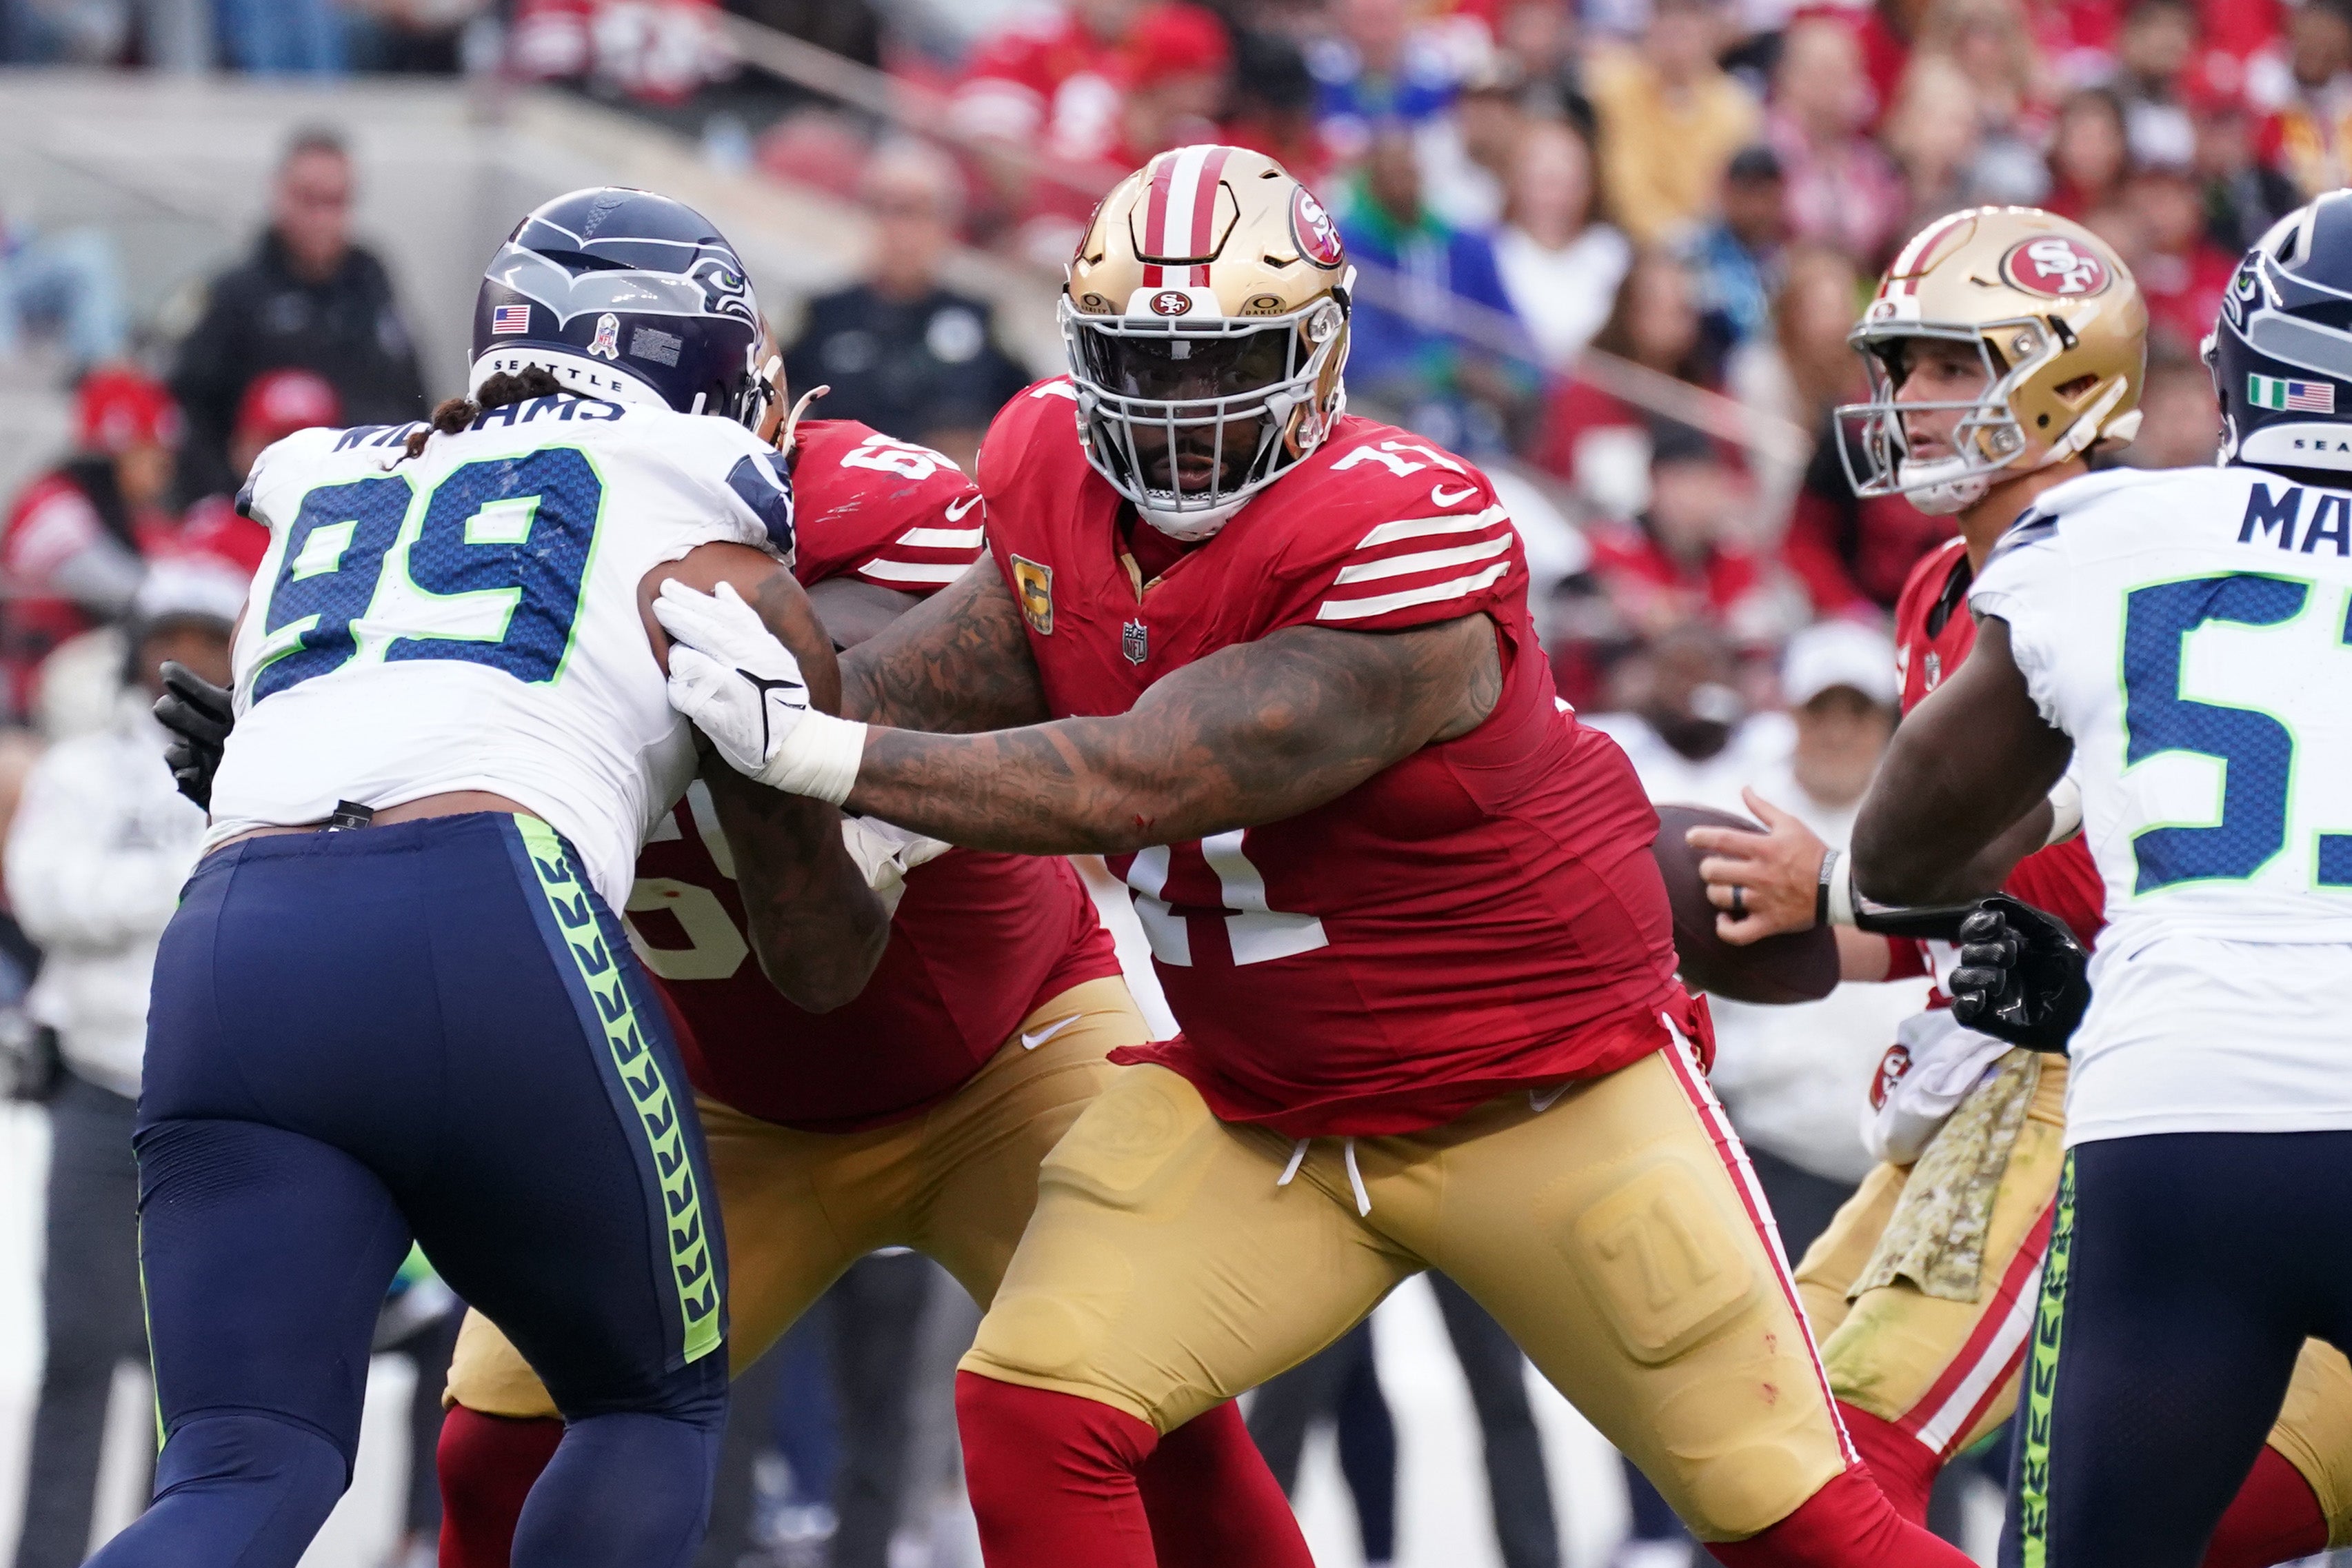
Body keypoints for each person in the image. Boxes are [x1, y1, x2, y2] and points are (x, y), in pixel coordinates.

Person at [652, 141, 1983, 1568]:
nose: (1174, 412)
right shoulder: (1045, 469)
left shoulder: (1406, 533)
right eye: (1138, 363)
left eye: (1223, 363)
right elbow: (948, 675)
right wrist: (710, 714)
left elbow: (1142, 773)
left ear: (1323, 347)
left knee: (1788, 1524)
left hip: (1540, 1102)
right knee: (1037, 1412)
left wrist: (823, 758)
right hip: (1265, 1113)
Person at [94, 185, 887, 1568]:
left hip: (234, 929)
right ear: (701, 362)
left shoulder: (331, 477)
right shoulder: (710, 530)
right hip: (483, 914)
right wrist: (874, 807)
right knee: (649, 1404)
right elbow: (816, 958)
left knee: (239, 1467)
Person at [425, 412, 1296, 1568]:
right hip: (731, 1108)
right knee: (496, 1440)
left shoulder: (848, 496)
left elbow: (897, 668)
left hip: (1012, 1052)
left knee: (1151, 1412)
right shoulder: (481, 563)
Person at [1686, 203, 2352, 1565]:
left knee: (1881, 1471)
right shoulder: (1958, 580)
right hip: (2092, 1062)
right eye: (1900, 368)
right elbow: (1956, 919)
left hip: (2136, 1093)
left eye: (1947, 366)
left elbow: (1937, 869)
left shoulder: (2107, 538)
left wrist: (1849, 892)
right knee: (1761, 1431)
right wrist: (1837, 917)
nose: (1909, 403)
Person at [7, 558, 240, 1568]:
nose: (184, 658)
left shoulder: (269, 764)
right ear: (139, 643)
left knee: (192, 1375)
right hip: (100, 1090)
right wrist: (188, 872)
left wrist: (143, 887)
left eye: (206, 638)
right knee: (77, 1352)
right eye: (169, 636)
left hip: (219, 1100)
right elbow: (49, 898)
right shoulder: (79, 769)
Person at [166, 128, 425, 506]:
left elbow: (413, 392)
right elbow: (187, 412)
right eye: (309, 200)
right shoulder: (233, 296)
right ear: (279, 194)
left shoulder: (373, 283)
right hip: (264, 512)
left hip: (371, 504)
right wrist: (225, 503)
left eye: (336, 202)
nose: (322, 218)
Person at [781, 141, 1034, 471]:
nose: (902, 230)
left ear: (948, 224)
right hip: (835, 497)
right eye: (887, 209)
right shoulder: (822, 316)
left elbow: (1031, 419)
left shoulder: (982, 321)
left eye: (919, 212)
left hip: (949, 505)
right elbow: (771, 408)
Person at [0, 365, 178, 719]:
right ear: (123, 453)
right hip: (25, 694)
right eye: (153, 455)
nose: (166, 469)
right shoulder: (53, 509)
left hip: (62, 685)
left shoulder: (126, 516)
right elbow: (135, 593)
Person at [1586, 0, 1760, 246]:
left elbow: (1728, 194)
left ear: (1709, 31)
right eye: (1665, 17)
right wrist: (1668, 235)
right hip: (1628, 241)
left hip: (1711, 244)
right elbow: (1624, 187)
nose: (1676, 33)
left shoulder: (1734, 105)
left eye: (1688, 21)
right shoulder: (1613, 87)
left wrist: (1697, 238)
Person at [1492, 117, 1631, 371]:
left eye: (1568, 179)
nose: (1555, 195)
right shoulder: (1492, 252)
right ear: (1515, 181)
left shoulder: (1611, 253)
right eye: (1543, 179)